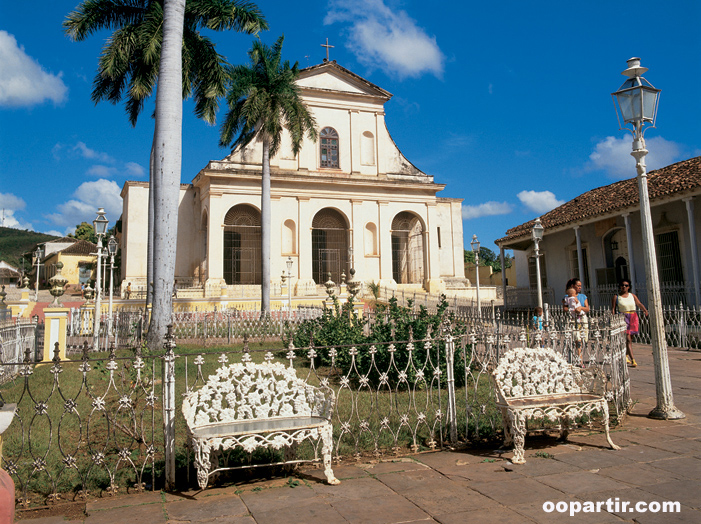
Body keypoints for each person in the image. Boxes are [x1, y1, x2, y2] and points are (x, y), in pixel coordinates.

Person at [611, 279, 648, 368]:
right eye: (622, 285)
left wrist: (645, 310)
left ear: (629, 287)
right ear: (620, 286)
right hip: (623, 317)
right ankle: (633, 360)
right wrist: (613, 318)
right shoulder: (616, 297)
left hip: (633, 317)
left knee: (630, 339)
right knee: (628, 339)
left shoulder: (632, 296)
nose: (624, 287)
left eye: (626, 285)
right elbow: (613, 308)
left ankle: (626, 355)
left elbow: (638, 303)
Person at [563, 278, 589, 364]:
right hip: (573, 319)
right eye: (578, 285)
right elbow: (565, 308)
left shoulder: (583, 296)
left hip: (582, 318)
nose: (579, 287)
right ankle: (580, 360)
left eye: (580, 286)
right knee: (577, 339)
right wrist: (572, 309)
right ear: (572, 286)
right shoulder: (567, 297)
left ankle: (579, 357)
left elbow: (587, 308)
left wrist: (580, 308)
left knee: (583, 338)